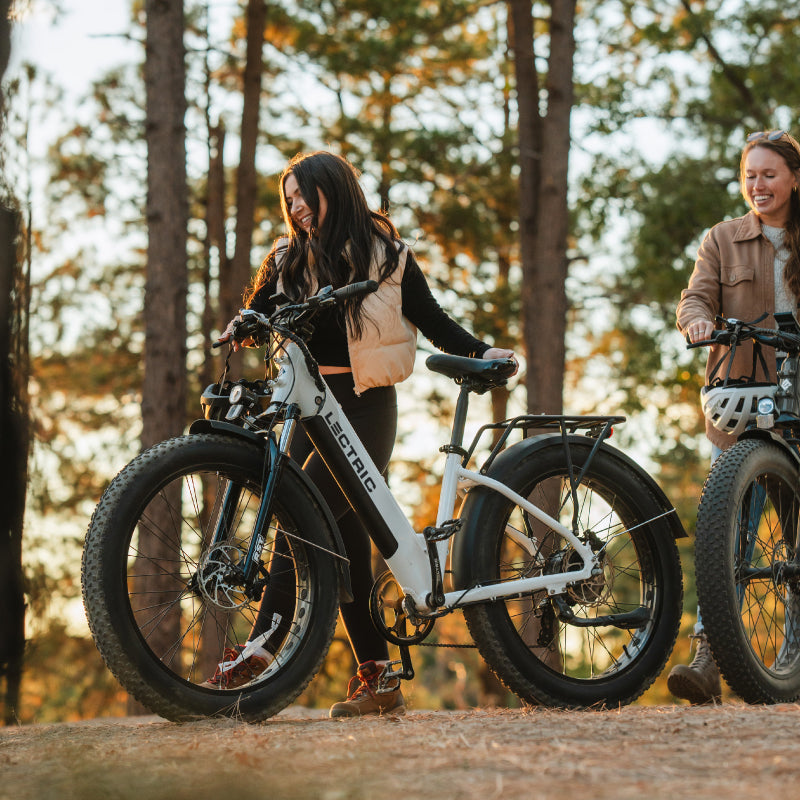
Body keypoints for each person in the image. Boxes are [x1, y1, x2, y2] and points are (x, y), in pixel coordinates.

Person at [204, 151, 517, 717]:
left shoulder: (388, 255)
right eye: (288, 199)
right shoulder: (285, 258)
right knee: (343, 540)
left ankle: (264, 645)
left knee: (303, 518)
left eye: (303, 195)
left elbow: (432, 319)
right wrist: (241, 326)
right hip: (310, 409)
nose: (295, 207)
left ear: (334, 189)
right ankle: (380, 678)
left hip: (366, 405)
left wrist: (478, 351)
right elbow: (257, 316)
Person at [673, 129, 800, 704]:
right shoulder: (723, 239)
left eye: (769, 174)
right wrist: (698, 322)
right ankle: (708, 655)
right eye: (750, 175)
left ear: (794, 179)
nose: (758, 185)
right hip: (743, 395)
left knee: (796, 537)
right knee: (732, 527)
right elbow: (696, 298)